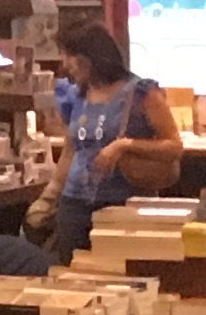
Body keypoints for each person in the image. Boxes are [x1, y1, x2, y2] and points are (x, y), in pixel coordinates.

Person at [46, 18, 180, 260]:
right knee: (71, 276)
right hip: (74, 206)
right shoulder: (79, 94)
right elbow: (70, 150)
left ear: (86, 58)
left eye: (68, 56)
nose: (65, 65)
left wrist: (124, 145)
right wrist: (50, 195)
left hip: (125, 206)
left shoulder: (141, 93)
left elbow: (174, 147)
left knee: (122, 275)